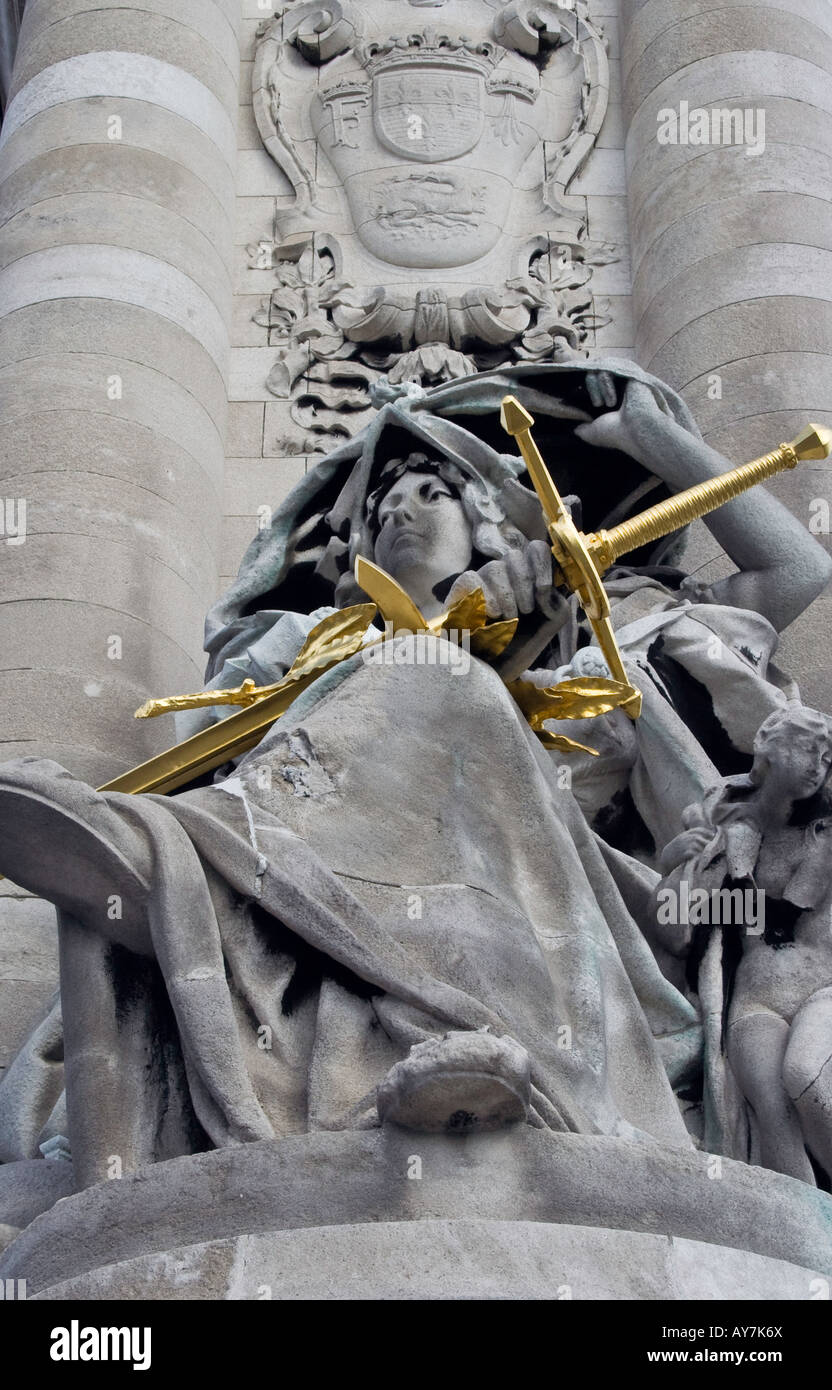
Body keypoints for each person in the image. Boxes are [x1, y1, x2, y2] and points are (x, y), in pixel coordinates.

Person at [0, 357, 827, 1191]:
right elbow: (212, 744)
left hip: (545, 901)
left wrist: (659, 442)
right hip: (313, 885)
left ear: (494, 519)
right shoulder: (301, 648)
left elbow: (800, 572)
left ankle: (183, 865)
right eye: (383, 505)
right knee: (420, 673)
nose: (399, 511)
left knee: (440, 676)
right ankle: (191, 881)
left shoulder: (604, 622)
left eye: (431, 492)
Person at [653, 706, 832, 1184]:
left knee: (805, 1072)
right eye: (812, 750)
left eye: (829, 756)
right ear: (770, 750)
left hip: (822, 990)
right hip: (755, 1000)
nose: (820, 765)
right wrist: (676, 865)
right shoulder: (727, 833)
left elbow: (800, 900)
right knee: (770, 1107)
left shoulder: (826, 831)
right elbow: (677, 930)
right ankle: (805, 1222)